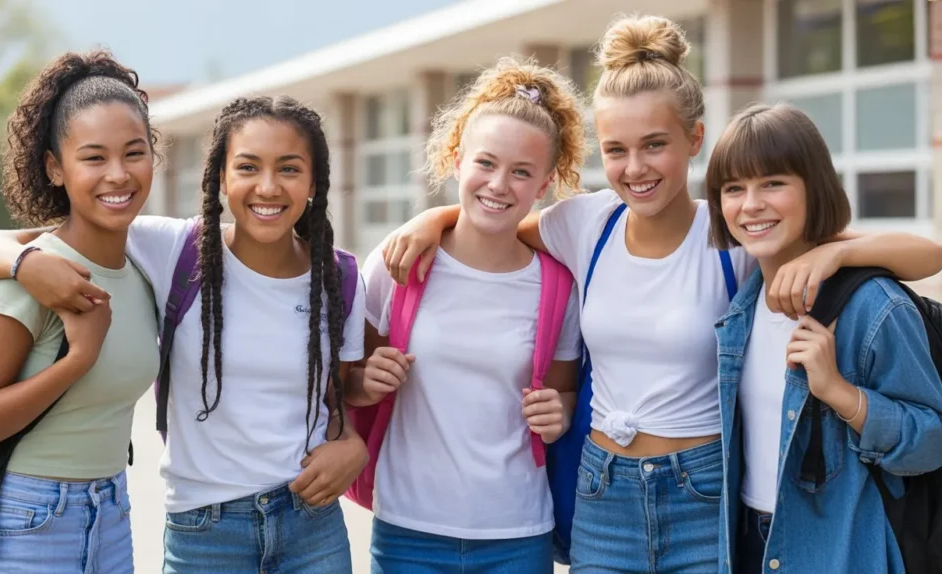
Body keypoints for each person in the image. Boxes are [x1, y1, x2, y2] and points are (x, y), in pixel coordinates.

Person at [376, 14, 942, 573]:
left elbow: (927, 254)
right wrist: (433, 218)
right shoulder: (586, 225)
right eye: (617, 149)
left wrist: (835, 252)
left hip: (703, 495)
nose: (635, 168)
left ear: (695, 138)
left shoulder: (731, 235)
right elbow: (496, 220)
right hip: (604, 496)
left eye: (654, 145)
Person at [0, 96, 369, 573]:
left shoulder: (339, 278)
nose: (268, 187)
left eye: (290, 169)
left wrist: (350, 443)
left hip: (311, 521)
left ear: (314, 181)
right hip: (205, 528)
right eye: (248, 167)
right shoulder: (174, 249)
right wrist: (26, 265)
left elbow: (332, 400)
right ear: (220, 178)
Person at [349, 57, 583, 573]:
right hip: (408, 531)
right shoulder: (399, 262)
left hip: (519, 534)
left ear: (543, 186)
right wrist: (366, 381)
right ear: (457, 159)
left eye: (522, 172)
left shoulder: (556, 285)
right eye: (486, 163)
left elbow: (565, 392)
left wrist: (559, 412)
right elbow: (346, 378)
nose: (499, 184)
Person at [0, 50, 159, 574]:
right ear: (54, 168)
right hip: (30, 519)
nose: (118, 174)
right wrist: (75, 362)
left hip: (112, 513)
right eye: (93, 157)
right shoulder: (34, 276)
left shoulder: (143, 267)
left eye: (134, 153)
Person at [707, 103, 942, 573]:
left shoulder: (875, 306)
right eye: (734, 188)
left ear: (813, 190)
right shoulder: (741, 304)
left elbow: (931, 441)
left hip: (843, 549)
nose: (751, 204)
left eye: (773, 182)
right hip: (747, 543)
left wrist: (838, 391)